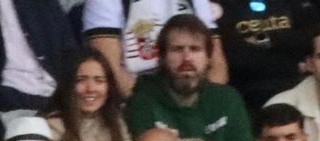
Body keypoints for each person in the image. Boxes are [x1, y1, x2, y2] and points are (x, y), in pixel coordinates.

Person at [126, 15, 261, 141]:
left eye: (195, 49)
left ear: (208, 58)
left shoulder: (228, 100)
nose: (187, 58)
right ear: (161, 58)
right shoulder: (142, 101)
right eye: (177, 49)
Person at [81, 0, 224, 98]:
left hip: (192, 96)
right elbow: (110, 70)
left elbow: (217, 67)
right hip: (136, 97)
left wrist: (199, 104)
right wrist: (151, 104)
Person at [213, 0, 316, 111]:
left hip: (294, 85)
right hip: (246, 91)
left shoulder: (293, 4)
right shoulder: (222, 6)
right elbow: (235, 57)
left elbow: (307, 40)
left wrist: (267, 39)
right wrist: (293, 64)